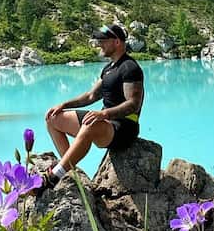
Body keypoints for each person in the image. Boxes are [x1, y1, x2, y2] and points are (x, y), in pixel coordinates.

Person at [39, 23, 144, 191]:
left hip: (123, 127)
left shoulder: (130, 68)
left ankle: (53, 177)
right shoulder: (108, 69)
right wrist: (63, 105)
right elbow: (90, 96)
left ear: (117, 42)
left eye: (103, 40)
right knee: (52, 119)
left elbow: (133, 103)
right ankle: (70, 171)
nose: (99, 43)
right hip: (104, 121)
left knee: (90, 125)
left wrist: (104, 114)